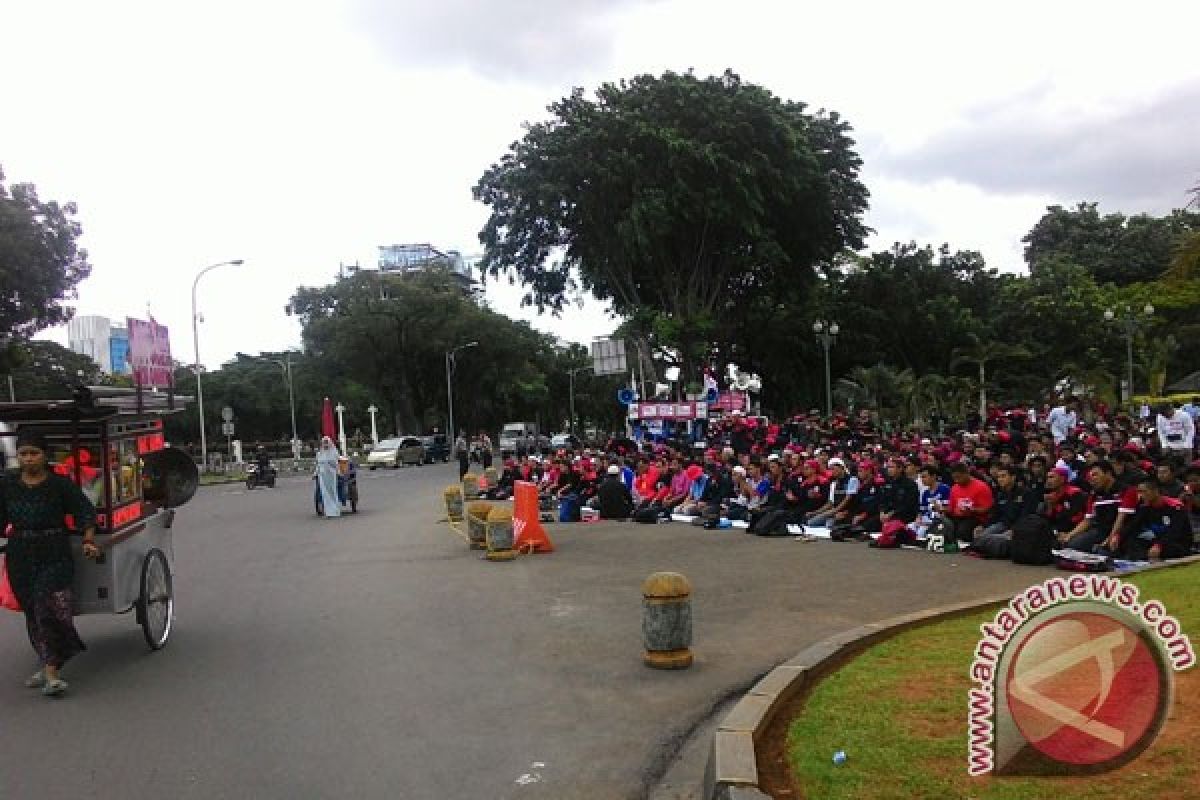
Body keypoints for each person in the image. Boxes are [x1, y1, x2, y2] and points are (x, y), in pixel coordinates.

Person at [2, 429, 100, 696]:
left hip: (55, 551)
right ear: (18, 457)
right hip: (20, 554)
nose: (29, 459)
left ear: (45, 456)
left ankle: (51, 669)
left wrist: (89, 540)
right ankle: (50, 665)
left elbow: (84, 512)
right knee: (33, 612)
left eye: (34, 453)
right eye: (24, 454)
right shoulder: (7, 484)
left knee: (52, 608)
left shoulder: (60, 484)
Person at [315, 437, 341, 518]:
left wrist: (338, 472)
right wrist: (315, 473)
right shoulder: (319, 453)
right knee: (325, 494)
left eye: (327, 443)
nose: (325, 445)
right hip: (322, 476)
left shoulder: (334, 452)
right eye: (324, 443)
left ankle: (335, 512)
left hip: (331, 475)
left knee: (332, 493)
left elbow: (337, 465)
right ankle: (328, 513)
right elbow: (318, 465)